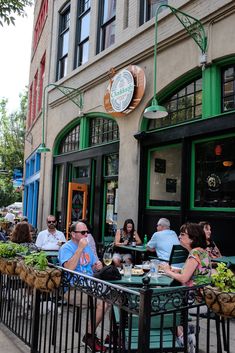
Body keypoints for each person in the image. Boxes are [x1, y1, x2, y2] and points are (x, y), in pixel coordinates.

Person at [162, 223, 212, 353]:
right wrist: (176, 271)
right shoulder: (201, 251)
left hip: (194, 300)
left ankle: (182, 337)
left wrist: (168, 271)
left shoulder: (194, 253)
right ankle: (185, 331)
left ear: (192, 238)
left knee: (161, 304)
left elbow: (184, 279)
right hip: (202, 296)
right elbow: (191, 274)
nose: (179, 237)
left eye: (183, 235)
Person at [58, 221, 106, 352]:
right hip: (73, 289)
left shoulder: (87, 247)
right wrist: (79, 248)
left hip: (90, 285)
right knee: (103, 303)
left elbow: (89, 266)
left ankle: (112, 334)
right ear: (73, 234)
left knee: (116, 296)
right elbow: (69, 268)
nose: (86, 235)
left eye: (87, 232)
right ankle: (90, 336)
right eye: (83, 232)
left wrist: (97, 266)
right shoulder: (66, 248)